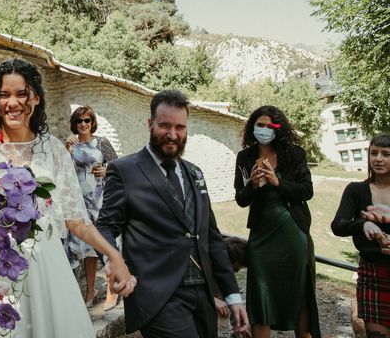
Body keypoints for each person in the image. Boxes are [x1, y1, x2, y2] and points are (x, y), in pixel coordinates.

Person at [0, 58, 136, 338]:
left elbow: (77, 221)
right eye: (4, 94)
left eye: (21, 94)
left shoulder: (53, 150)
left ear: (36, 98)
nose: (13, 102)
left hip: (48, 269)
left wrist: (114, 255)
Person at [97, 89, 249, 338]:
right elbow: (105, 225)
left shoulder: (195, 173)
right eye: (165, 125)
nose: (172, 134)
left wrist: (232, 295)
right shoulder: (124, 170)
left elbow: (211, 237)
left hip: (203, 293)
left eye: (180, 127)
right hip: (157, 295)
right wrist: (113, 260)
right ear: (150, 124)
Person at [234, 105, 321, 338]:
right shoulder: (245, 157)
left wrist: (277, 182)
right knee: (260, 299)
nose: (263, 129)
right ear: (252, 127)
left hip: (292, 232)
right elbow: (240, 200)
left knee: (299, 294)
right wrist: (251, 185)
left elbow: (307, 191)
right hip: (261, 237)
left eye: (269, 125)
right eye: (259, 125)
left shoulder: (294, 154)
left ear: (278, 128)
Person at [331, 133, 390, 336]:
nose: (378, 158)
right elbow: (338, 226)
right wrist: (362, 224)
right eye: (374, 153)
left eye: (386, 154)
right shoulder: (356, 190)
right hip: (372, 274)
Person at [64, 105, 119, 310]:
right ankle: (90, 291)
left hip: (99, 199)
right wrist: (67, 150)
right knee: (86, 248)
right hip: (79, 201)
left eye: (87, 120)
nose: (83, 124)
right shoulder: (70, 144)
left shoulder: (101, 142)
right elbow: (63, 172)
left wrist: (106, 170)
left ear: (92, 122)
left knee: (104, 242)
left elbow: (118, 166)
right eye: (79, 121)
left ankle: (113, 290)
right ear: (74, 124)